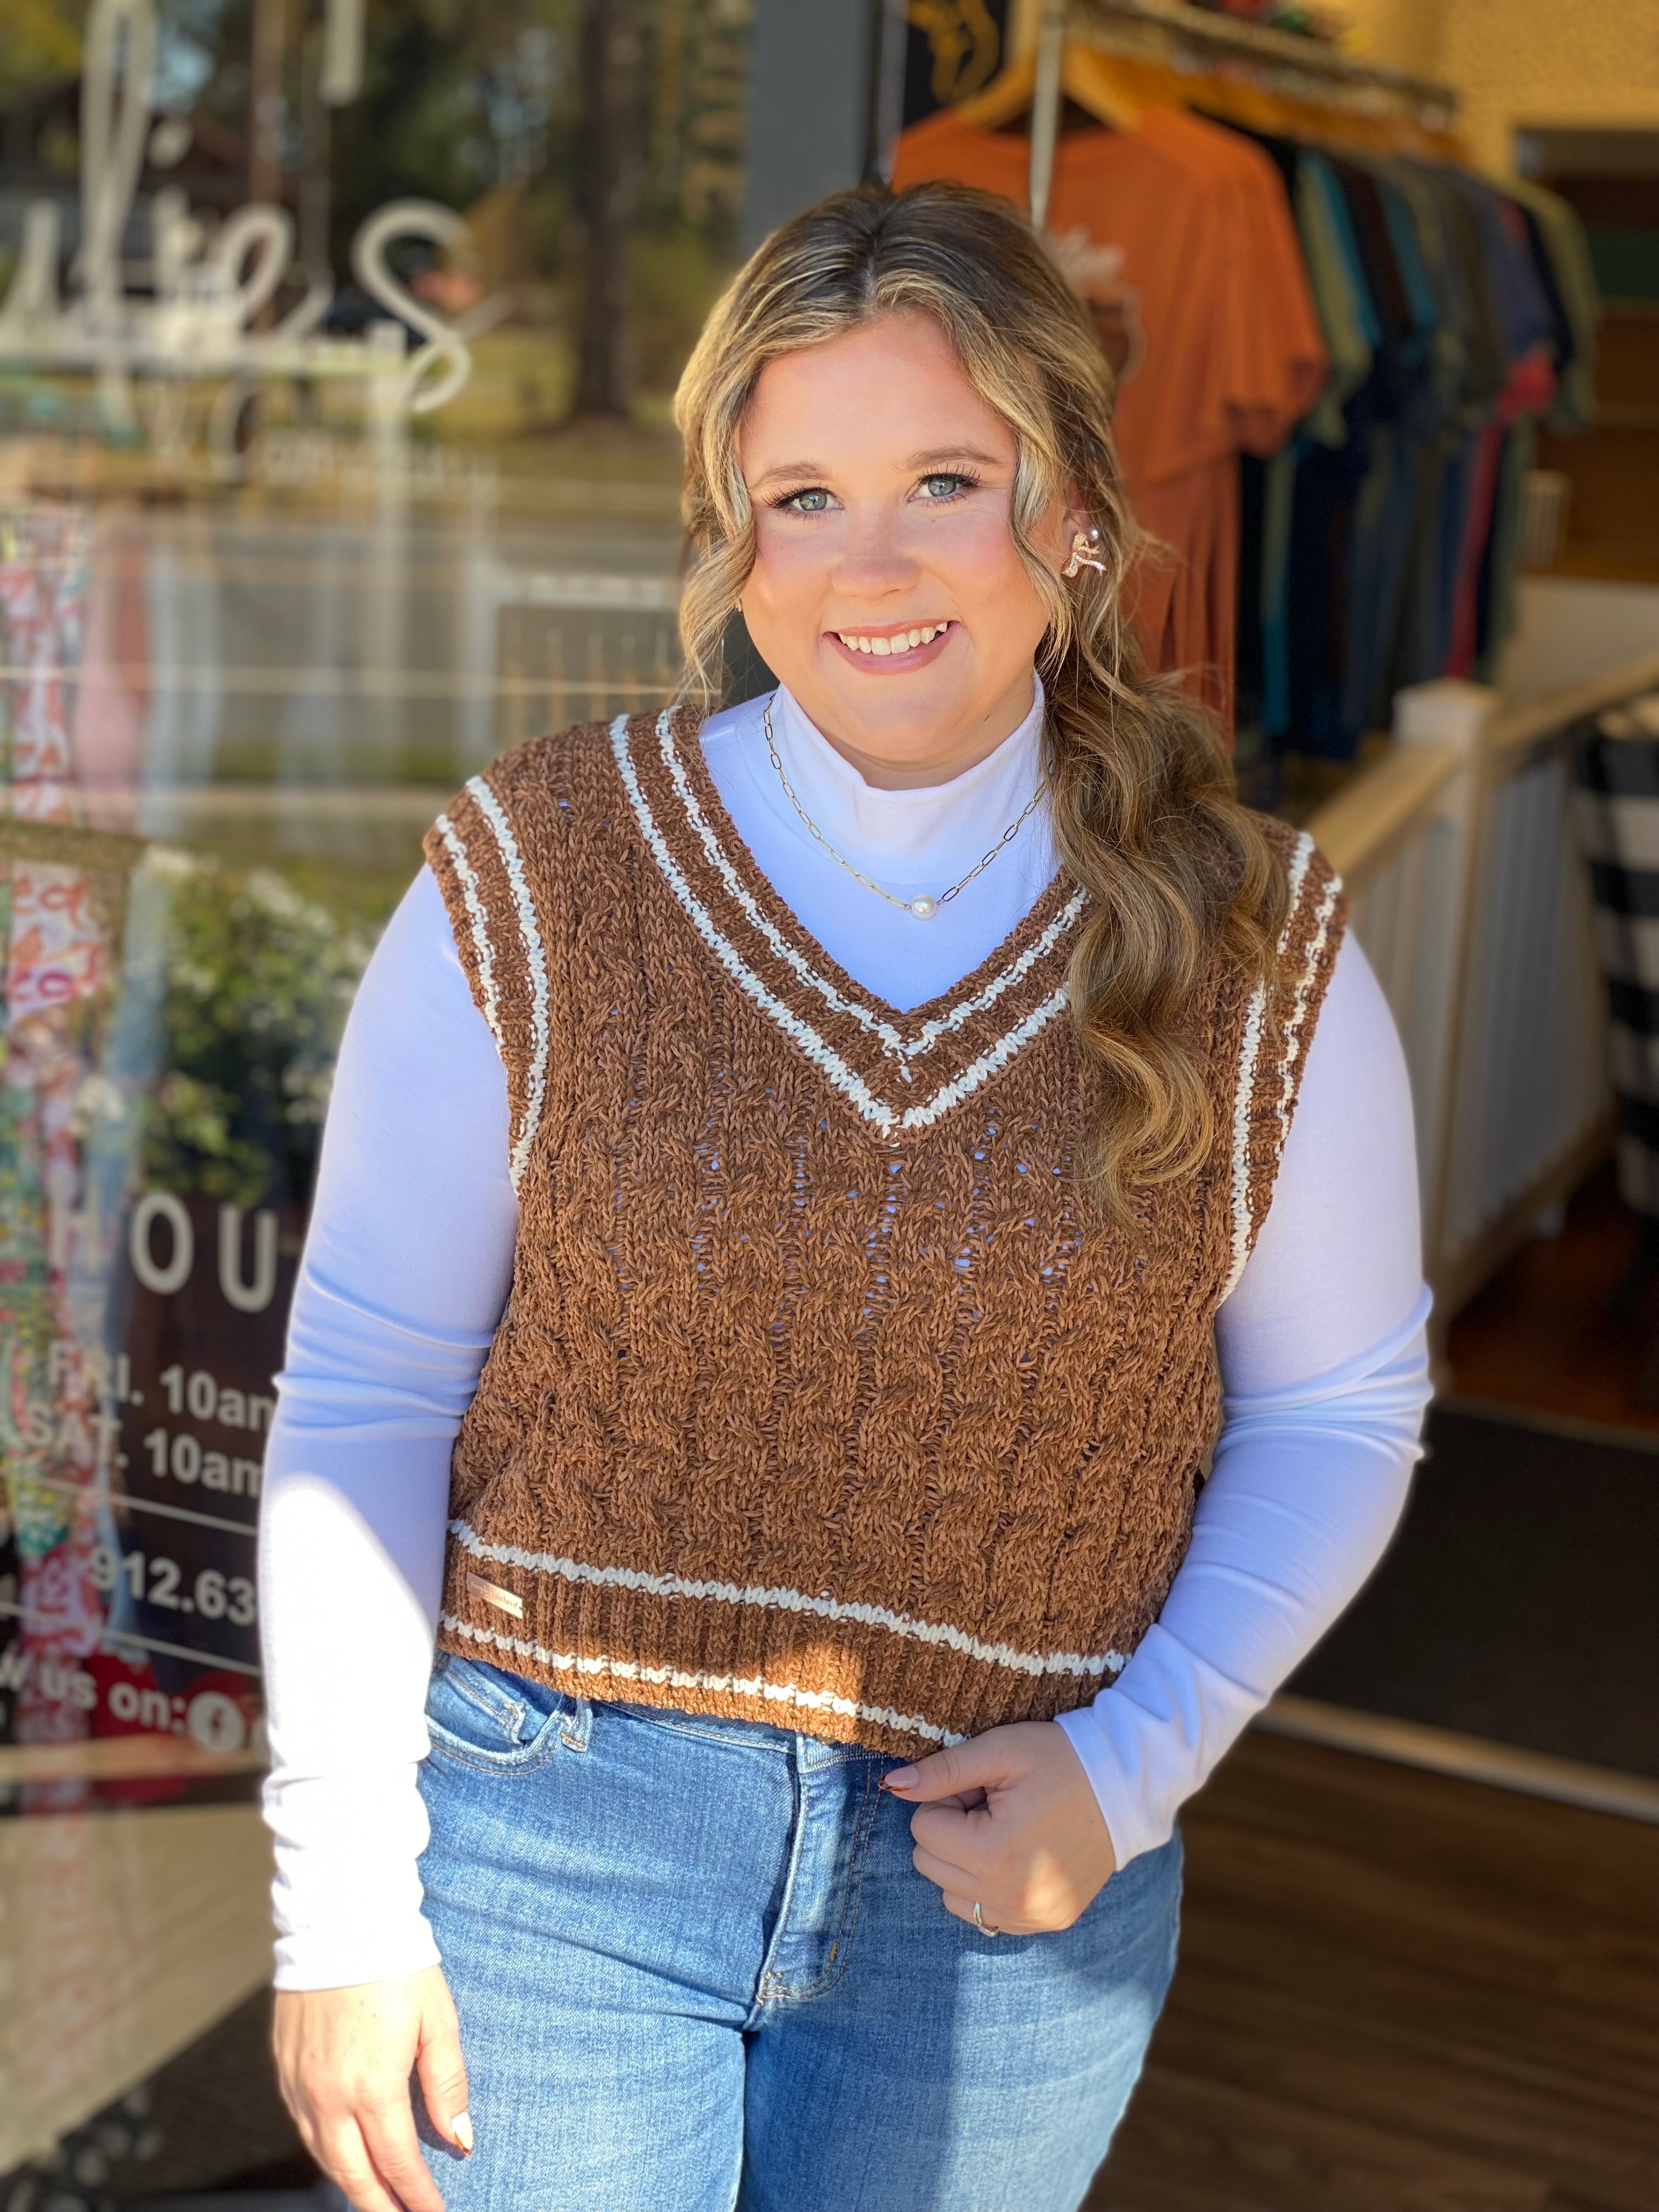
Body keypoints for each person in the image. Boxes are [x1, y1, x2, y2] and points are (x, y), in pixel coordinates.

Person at [259, 182, 1430, 2212]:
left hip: (1001, 1879)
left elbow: (1341, 1412)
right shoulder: (541, 877)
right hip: (549, 1844)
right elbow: (364, 1396)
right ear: (735, 537)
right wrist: (337, 1899)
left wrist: (1134, 1763)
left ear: (1070, 507)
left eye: (943, 481)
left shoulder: (1258, 934)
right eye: (800, 496)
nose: (866, 566)